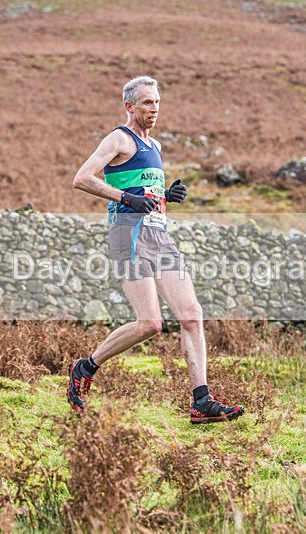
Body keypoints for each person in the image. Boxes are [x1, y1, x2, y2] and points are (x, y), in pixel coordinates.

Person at [67, 75, 244, 424]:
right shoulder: (119, 138)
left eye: (158, 102)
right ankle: (84, 368)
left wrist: (166, 197)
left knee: (192, 314)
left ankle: (201, 401)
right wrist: (125, 197)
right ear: (130, 106)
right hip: (127, 236)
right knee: (149, 323)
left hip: (159, 237)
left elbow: (148, 198)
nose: (154, 109)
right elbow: (82, 178)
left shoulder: (157, 147)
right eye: (147, 102)